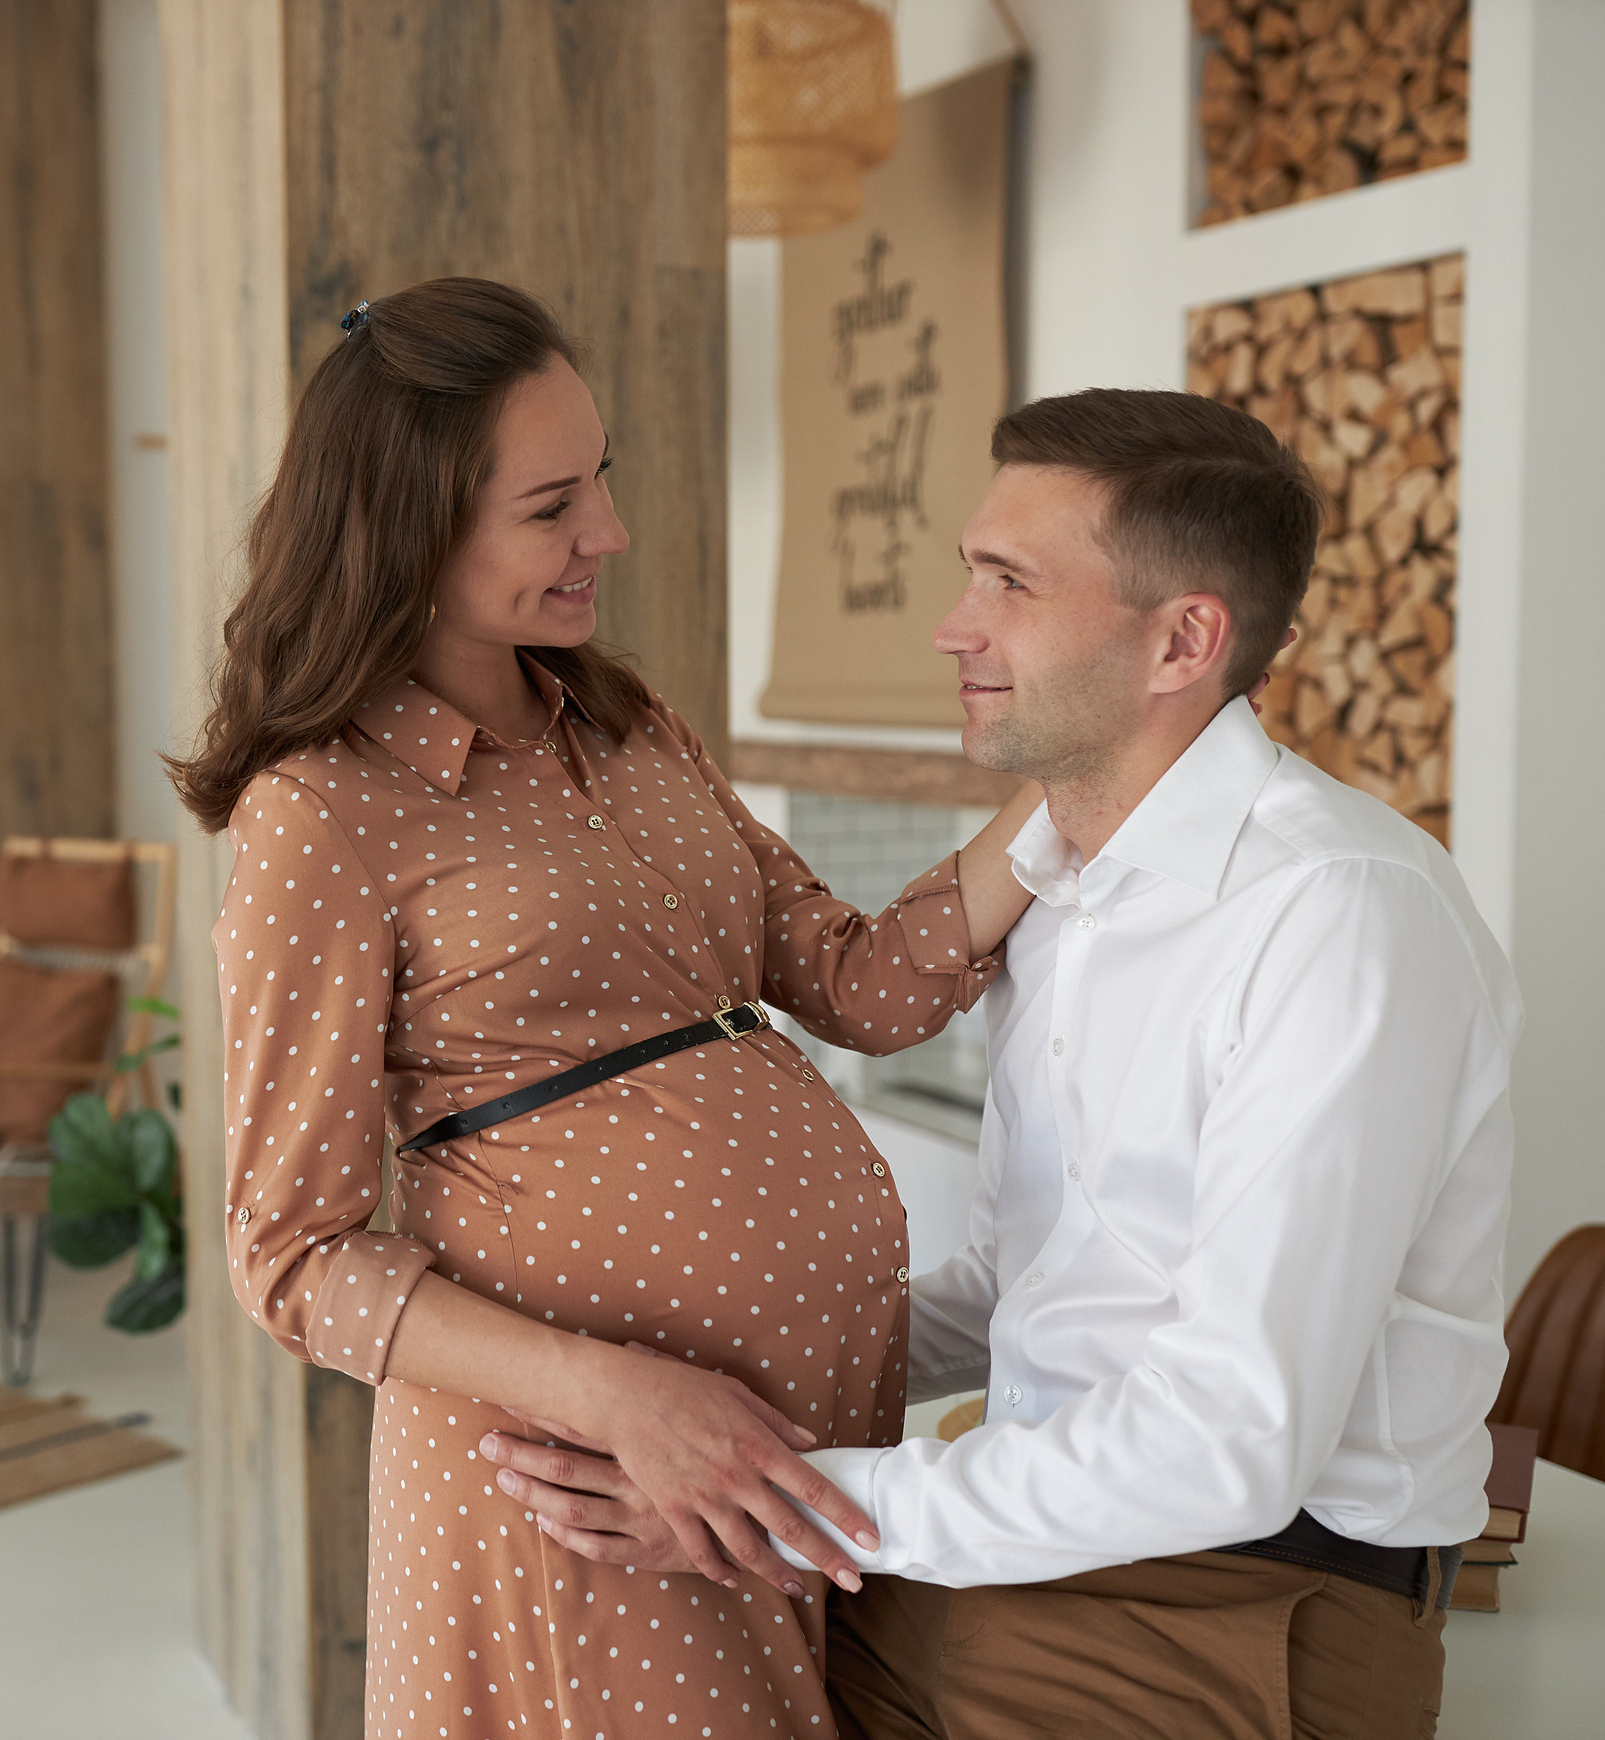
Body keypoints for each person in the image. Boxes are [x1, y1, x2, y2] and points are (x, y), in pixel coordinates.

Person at [484, 388, 1521, 1739]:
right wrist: (699, 1392)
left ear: (1182, 641)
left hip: (1243, 1606)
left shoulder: (1339, 916)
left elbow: (1227, 1448)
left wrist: (801, 1502)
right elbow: (1038, 1286)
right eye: (969, 573)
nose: (953, 627)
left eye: (1008, 584)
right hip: (1019, 1553)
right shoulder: (1060, 892)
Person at [168, 276, 1042, 1739]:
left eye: (606, 479)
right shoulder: (322, 812)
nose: (609, 534)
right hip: (572, 1485)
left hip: (798, 1463)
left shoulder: (630, 729)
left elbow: (860, 981)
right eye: (551, 505)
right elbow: (294, 1258)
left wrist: (1088, 787)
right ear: (408, 525)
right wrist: (615, 1394)